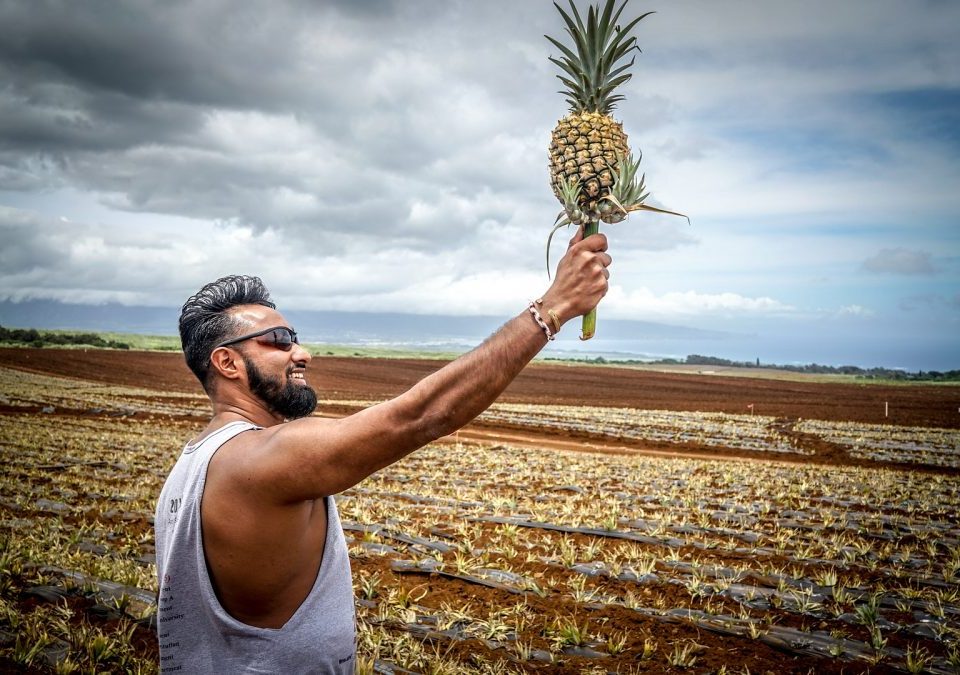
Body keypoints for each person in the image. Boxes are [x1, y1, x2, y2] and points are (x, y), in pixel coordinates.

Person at [154, 226, 611, 673]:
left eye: (293, 336)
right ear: (227, 362)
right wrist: (552, 309)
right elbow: (421, 415)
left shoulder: (194, 464)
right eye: (278, 340)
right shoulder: (258, 460)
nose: (302, 352)